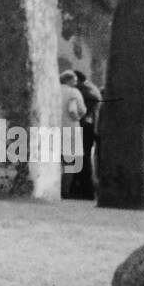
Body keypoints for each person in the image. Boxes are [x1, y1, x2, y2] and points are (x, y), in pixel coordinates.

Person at [73, 70, 101, 200]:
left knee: (82, 158)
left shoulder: (84, 90)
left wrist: (84, 116)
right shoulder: (91, 88)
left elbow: (93, 101)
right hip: (89, 128)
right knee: (83, 157)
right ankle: (84, 188)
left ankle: (85, 189)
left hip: (85, 128)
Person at [58, 70, 87, 198]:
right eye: (74, 81)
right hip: (70, 127)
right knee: (69, 162)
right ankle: (64, 190)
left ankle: (50, 187)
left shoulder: (53, 89)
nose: (75, 83)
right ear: (69, 80)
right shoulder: (74, 92)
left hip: (53, 127)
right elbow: (81, 110)